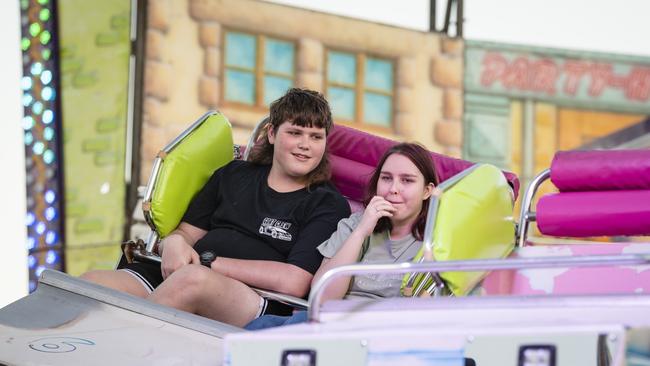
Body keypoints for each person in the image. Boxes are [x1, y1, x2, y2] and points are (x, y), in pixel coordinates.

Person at [81, 88, 350, 327]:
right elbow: (186, 233)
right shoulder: (234, 174)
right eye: (295, 132)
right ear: (271, 133)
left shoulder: (327, 203)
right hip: (184, 273)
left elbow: (294, 281)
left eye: (316, 137)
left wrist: (210, 264)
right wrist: (174, 244)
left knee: (192, 283)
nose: (305, 145)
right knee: (91, 285)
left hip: (256, 298)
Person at [246, 142, 439, 330]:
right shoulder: (356, 223)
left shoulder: (437, 243)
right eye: (386, 178)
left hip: (380, 333)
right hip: (331, 321)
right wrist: (361, 232)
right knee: (260, 326)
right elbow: (322, 298)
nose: (393, 189)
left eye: (407, 180)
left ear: (427, 191)